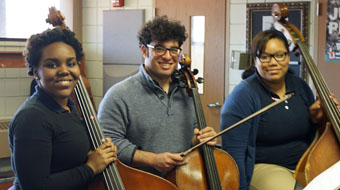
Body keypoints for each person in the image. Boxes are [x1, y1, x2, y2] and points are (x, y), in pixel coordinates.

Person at [97, 16, 217, 177]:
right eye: (159, 48)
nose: (168, 56)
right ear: (144, 50)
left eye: (173, 49)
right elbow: (107, 142)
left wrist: (198, 141)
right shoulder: (119, 95)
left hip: (184, 180)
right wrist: (152, 159)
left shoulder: (187, 92)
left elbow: (190, 139)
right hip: (141, 183)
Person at [9, 27, 117, 190]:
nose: (64, 71)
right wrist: (91, 167)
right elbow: (37, 187)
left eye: (71, 63)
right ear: (36, 71)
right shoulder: (32, 117)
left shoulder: (69, 108)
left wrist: (102, 152)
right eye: (52, 65)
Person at [220, 30, 327, 190]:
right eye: (265, 56)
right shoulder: (243, 95)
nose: (273, 62)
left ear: (288, 57)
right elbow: (234, 153)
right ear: (255, 60)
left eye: (279, 55)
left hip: (305, 165)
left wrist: (318, 119)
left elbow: (311, 135)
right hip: (264, 168)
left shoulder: (300, 87)